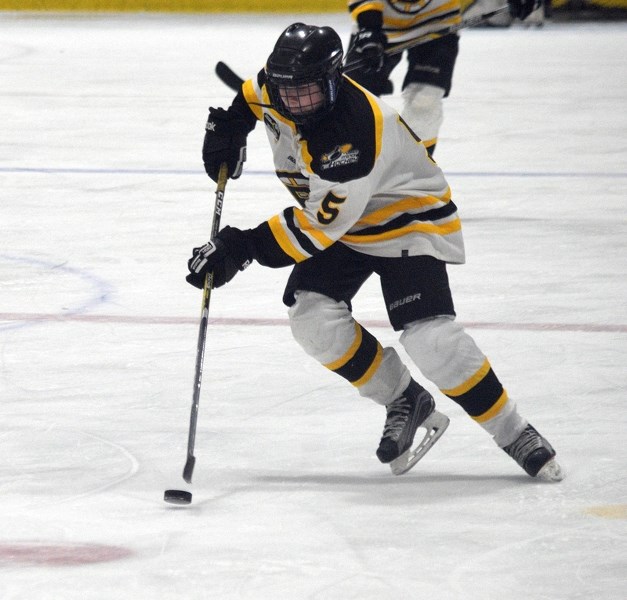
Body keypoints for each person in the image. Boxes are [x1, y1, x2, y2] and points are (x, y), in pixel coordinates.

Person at [189, 22, 562, 480]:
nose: (295, 104)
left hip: (407, 220)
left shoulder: (350, 135)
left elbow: (313, 228)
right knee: (311, 318)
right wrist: (230, 124)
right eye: (287, 93)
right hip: (347, 225)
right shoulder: (278, 84)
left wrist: (239, 246)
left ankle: (514, 431)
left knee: (430, 339)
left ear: (333, 80)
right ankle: (404, 398)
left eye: (307, 93)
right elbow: (252, 95)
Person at [344, 0, 540, 156]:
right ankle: (349, 167)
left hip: (438, 23)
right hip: (379, 23)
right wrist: (369, 29)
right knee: (351, 101)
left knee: (425, 101)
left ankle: (413, 170)